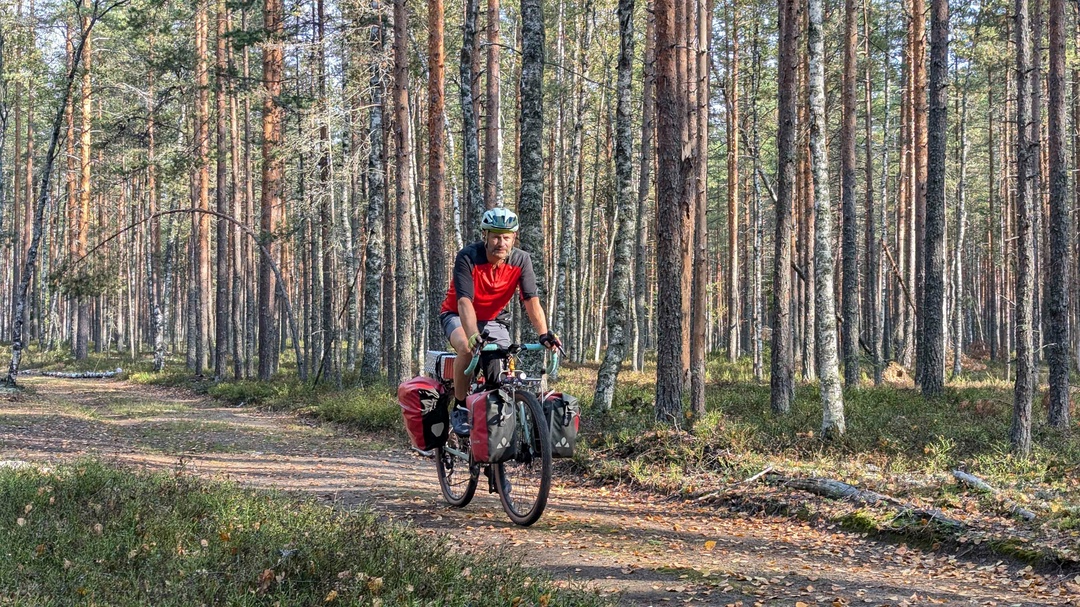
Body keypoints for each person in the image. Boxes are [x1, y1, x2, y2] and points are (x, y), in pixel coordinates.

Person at [440, 207, 562, 435]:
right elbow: (464, 301)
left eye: (507, 237)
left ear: (514, 237)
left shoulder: (521, 260)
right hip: (457, 315)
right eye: (496, 236)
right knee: (467, 348)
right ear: (485, 235)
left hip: (493, 319)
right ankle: (459, 407)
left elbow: (531, 300)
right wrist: (473, 334)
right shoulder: (468, 257)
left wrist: (544, 333)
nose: (501, 242)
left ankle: (493, 445)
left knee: (499, 373)